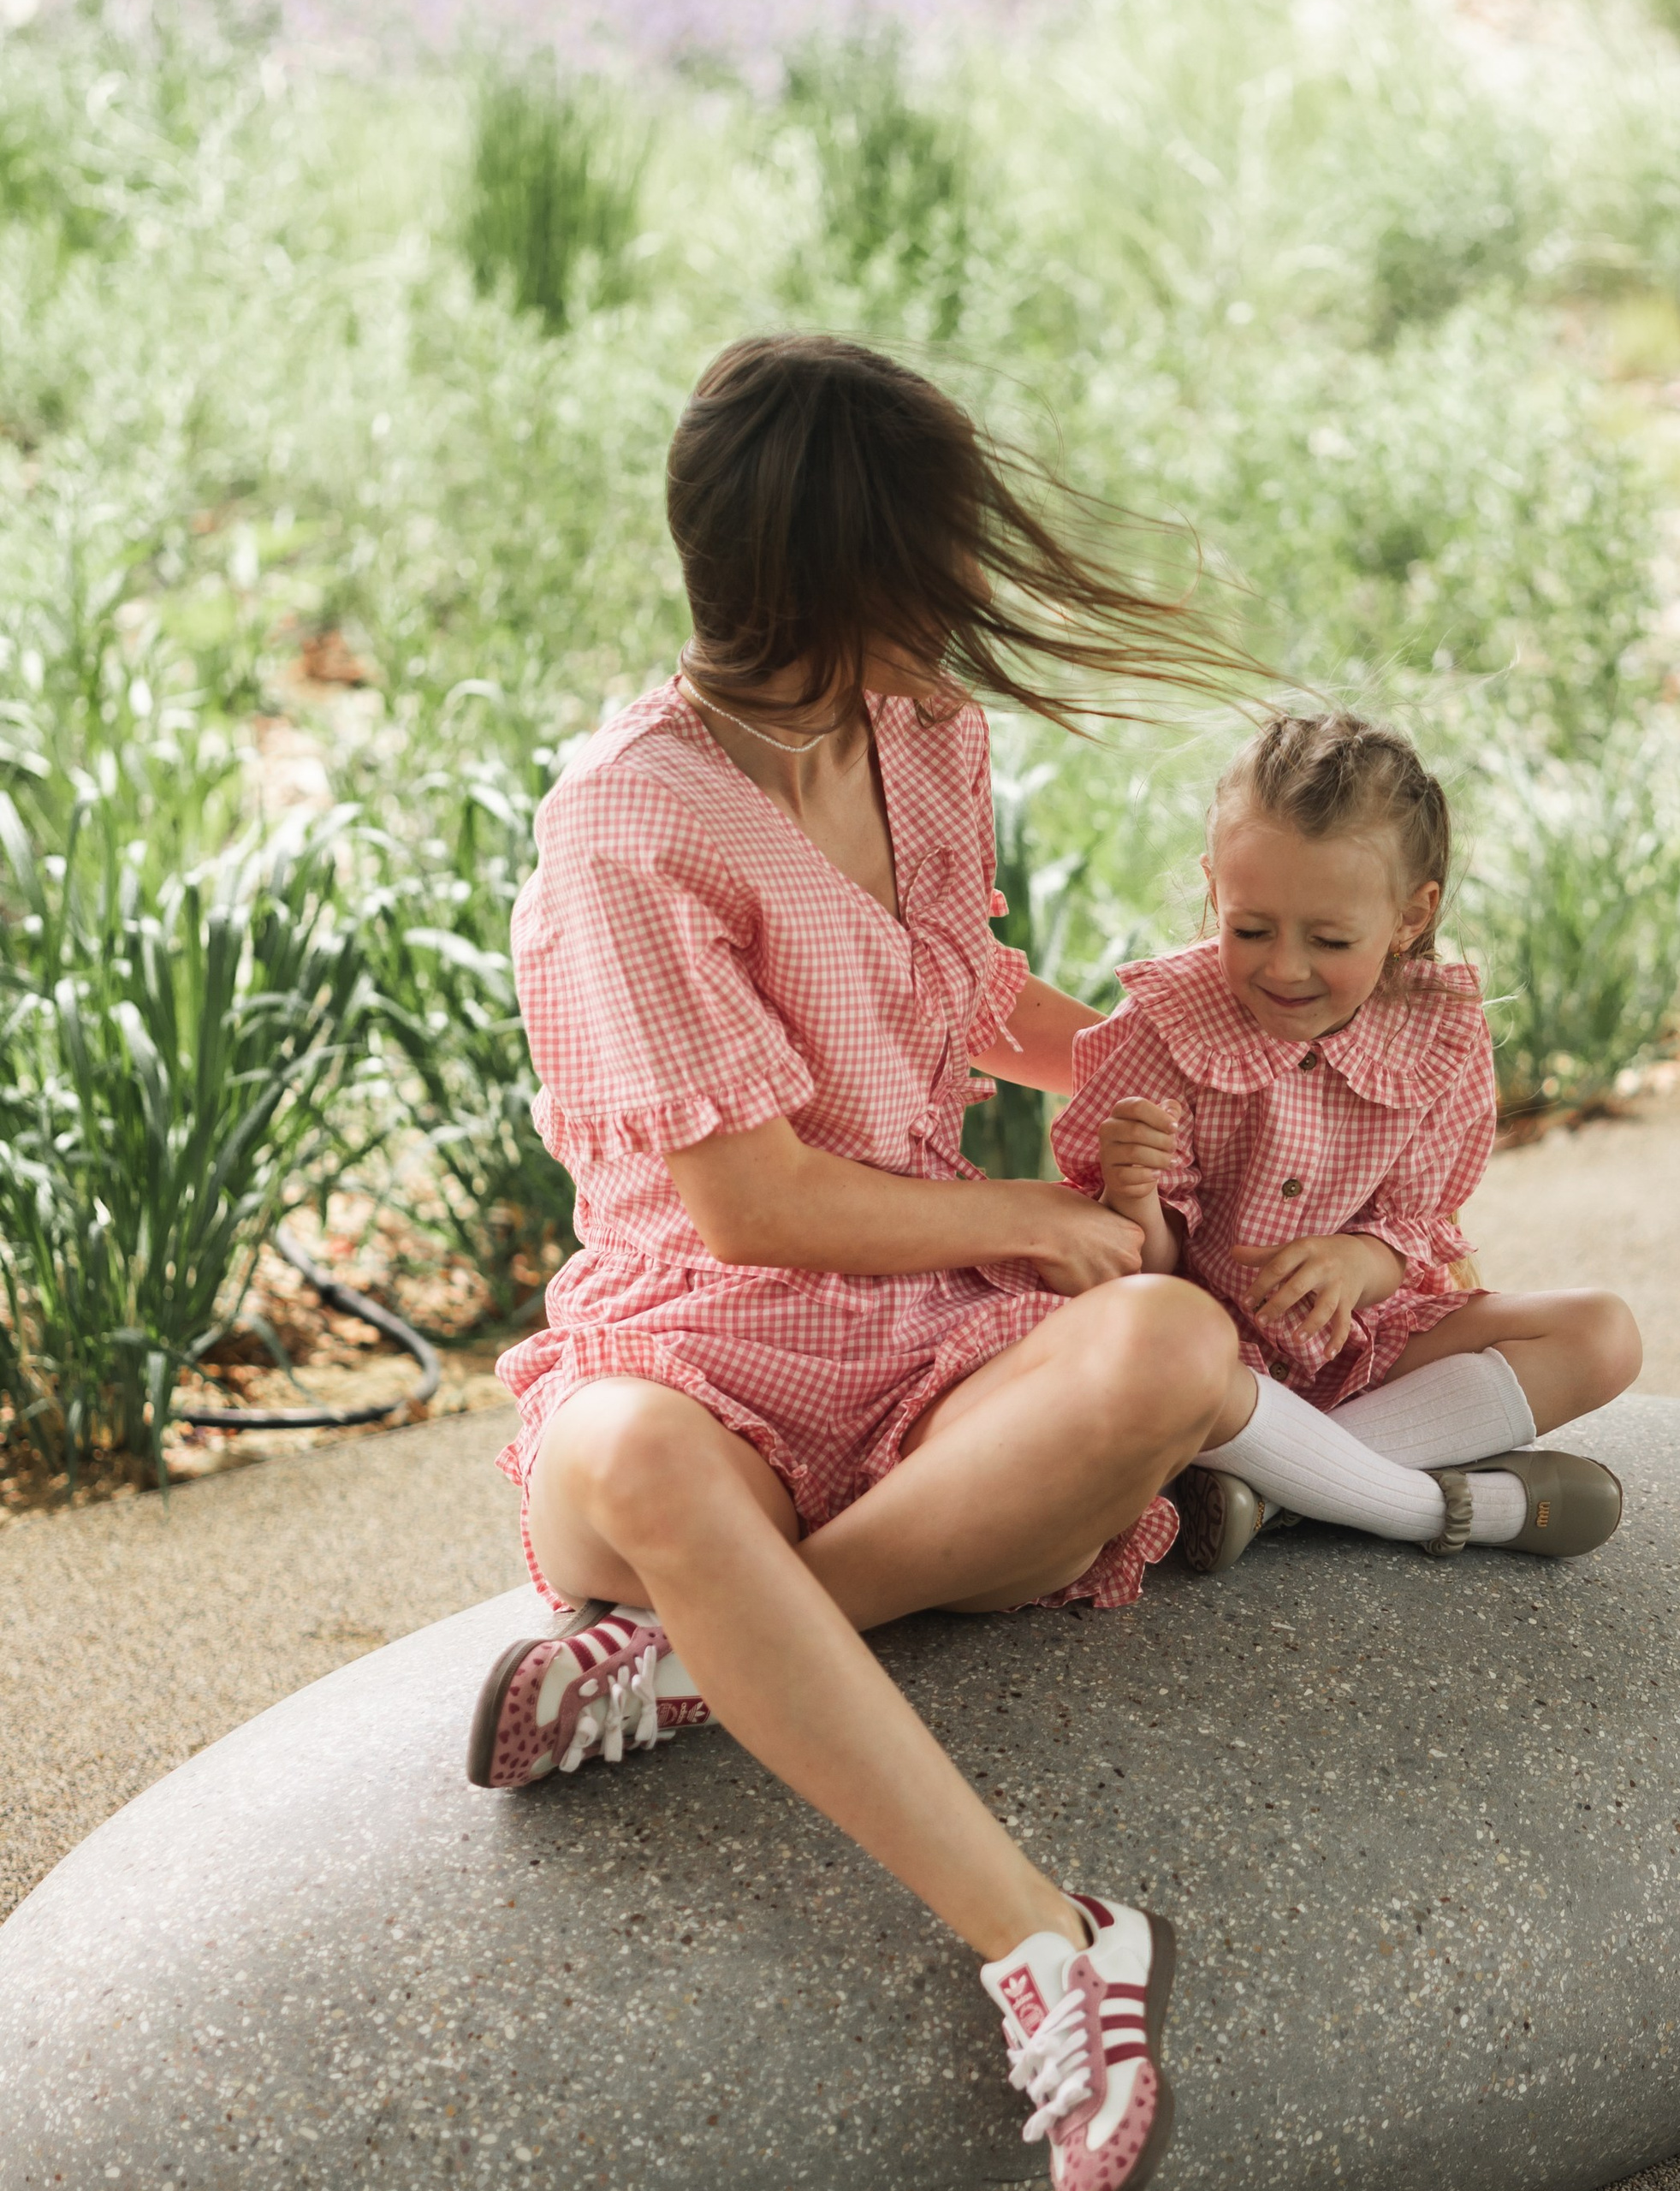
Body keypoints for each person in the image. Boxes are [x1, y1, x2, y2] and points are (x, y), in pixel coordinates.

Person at [466, 333, 1259, 2191]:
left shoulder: (920, 735)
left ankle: (707, 1656)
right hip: (693, 1356)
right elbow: (750, 1205)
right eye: (942, 551)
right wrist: (1032, 1213)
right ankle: (1050, 1942)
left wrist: (1147, 1072)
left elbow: (953, 988)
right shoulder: (627, 824)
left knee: (1168, 1346)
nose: (973, 587)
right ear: (838, 576)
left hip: (921, 1361)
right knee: (637, 1458)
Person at [1050, 712, 1643, 1574]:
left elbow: (1414, 1232)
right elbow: (1144, 1274)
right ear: (1214, 887)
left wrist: (1358, 1265)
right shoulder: (1164, 1025)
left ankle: (1269, 1489)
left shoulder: (1436, 1033)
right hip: (1210, 1364)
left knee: (1603, 1334)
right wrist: (1133, 1193)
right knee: (1169, 1371)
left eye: (1329, 940)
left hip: (1366, 1346)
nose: (1284, 967)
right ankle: (1421, 1506)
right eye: (1250, 929)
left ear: (1410, 916)